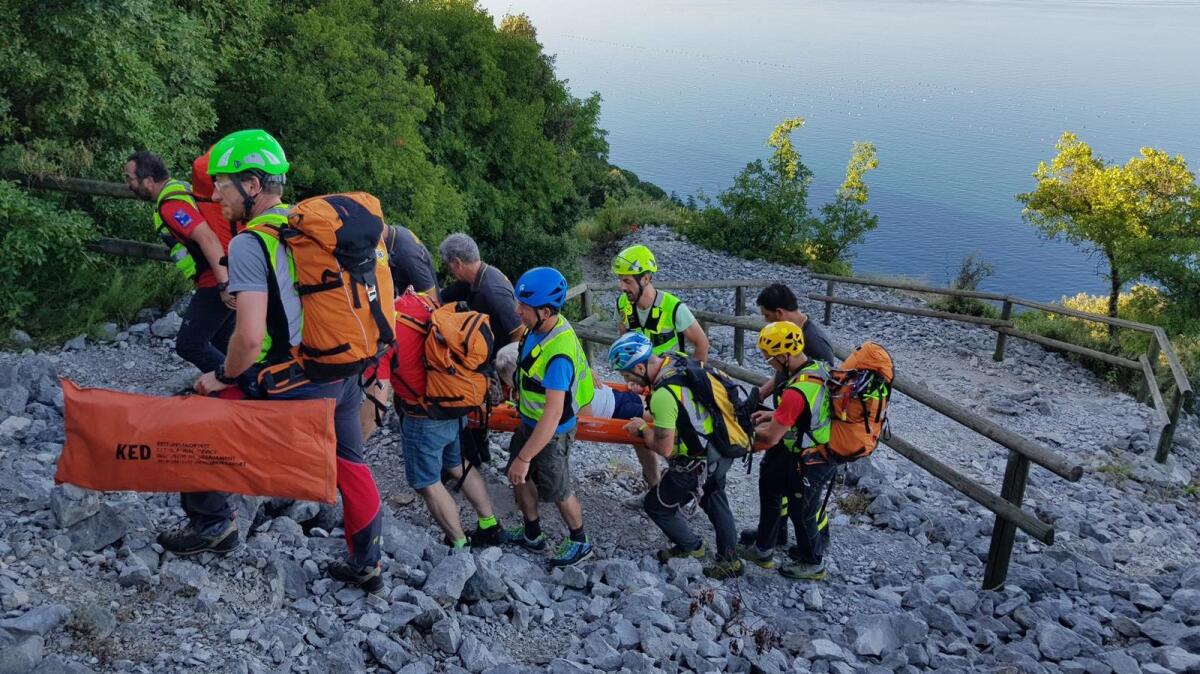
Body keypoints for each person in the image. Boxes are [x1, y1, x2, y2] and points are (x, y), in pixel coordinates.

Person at [172, 129, 387, 593]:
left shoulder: (251, 243)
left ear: (252, 185)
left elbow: (248, 339)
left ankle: (212, 524)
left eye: (222, 184)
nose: (214, 194)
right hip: (343, 371)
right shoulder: (307, 226)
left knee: (193, 416)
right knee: (351, 462)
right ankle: (367, 563)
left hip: (291, 380)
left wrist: (221, 376)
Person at [610, 332, 743, 580]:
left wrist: (642, 428)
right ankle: (730, 560)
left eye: (629, 375)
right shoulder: (676, 360)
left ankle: (691, 547)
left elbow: (664, 448)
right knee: (714, 498)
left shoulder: (663, 394)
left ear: (641, 366)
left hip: (695, 463)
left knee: (656, 505)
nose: (629, 382)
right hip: (721, 448)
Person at [501, 267, 595, 568]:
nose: (517, 311)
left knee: (558, 488)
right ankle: (532, 533)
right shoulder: (539, 327)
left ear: (544, 311)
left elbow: (553, 416)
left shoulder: (559, 356)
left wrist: (525, 456)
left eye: (523, 307)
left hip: (551, 430)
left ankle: (580, 541)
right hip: (530, 419)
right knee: (518, 476)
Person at [738, 282, 838, 550]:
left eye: (767, 316)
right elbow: (783, 374)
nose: (764, 320)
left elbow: (816, 397)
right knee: (773, 479)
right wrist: (762, 396)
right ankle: (772, 535)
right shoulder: (792, 341)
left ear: (780, 312)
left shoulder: (815, 343)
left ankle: (816, 545)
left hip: (802, 432)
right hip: (791, 421)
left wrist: (768, 425)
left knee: (803, 498)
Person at [611, 244, 709, 508]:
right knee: (642, 436)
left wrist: (692, 382)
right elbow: (624, 339)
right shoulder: (624, 304)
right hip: (645, 386)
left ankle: (689, 490)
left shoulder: (674, 308)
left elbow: (701, 343)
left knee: (675, 442)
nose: (622, 286)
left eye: (627, 280)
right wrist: (629, 378)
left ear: (646, 278)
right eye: (620, 280)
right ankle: (656, 490)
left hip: (672, 389)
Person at [124, 151, 235, 374]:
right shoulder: (179, 189)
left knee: (190, 345)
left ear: (148, 181)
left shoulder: (172, 205)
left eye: (130, 179)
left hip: (216, 280)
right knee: (225, 341)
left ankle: (240, 386)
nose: (128, 185)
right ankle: (249, 390)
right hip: (227, 273)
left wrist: (224, 285)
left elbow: (207, 238)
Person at [360, 225, 441, 439]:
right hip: (410, 322)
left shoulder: (406, 255)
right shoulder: (395, 237)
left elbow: (431, 302)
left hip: (419, 332)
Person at [495, 342, 644, 420]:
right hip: (611, 399)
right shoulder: (553, 365)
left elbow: (583, 416)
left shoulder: (546, 386)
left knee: (653, 412)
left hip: (612, 404)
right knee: (648, 408)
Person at [439, 233, 523, 349]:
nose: (449, 271)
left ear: (457, 263)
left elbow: (519, 331)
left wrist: (504, 362)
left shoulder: (492, 292)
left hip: (496, 360)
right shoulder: (471, 280)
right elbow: (441, 296)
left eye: (448, 266)